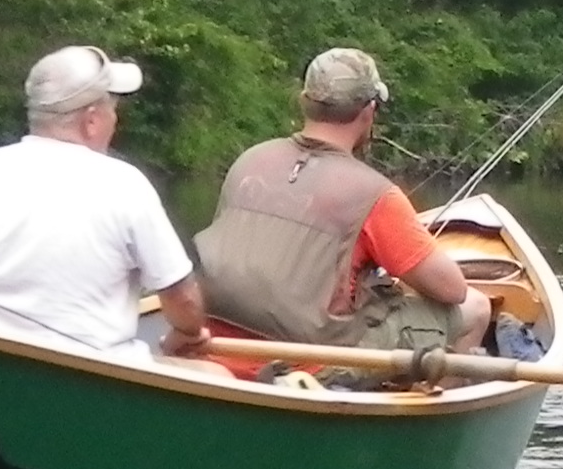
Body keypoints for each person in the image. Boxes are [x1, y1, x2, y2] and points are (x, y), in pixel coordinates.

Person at [190, 47, 490, 353]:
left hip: (218, 334)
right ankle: (440, 396)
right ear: (368, 111)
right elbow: (452, 289)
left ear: (305, 102)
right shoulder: (375, 195)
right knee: (476, 308)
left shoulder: (250, 160)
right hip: (316, 353)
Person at [0, 44, 211, 358]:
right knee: (214, 374)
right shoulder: (125, 184)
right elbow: (183, 301)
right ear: (90, 120)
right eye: (112, 108)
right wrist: (188, 334)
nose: (116, 119)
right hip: (88, 384)